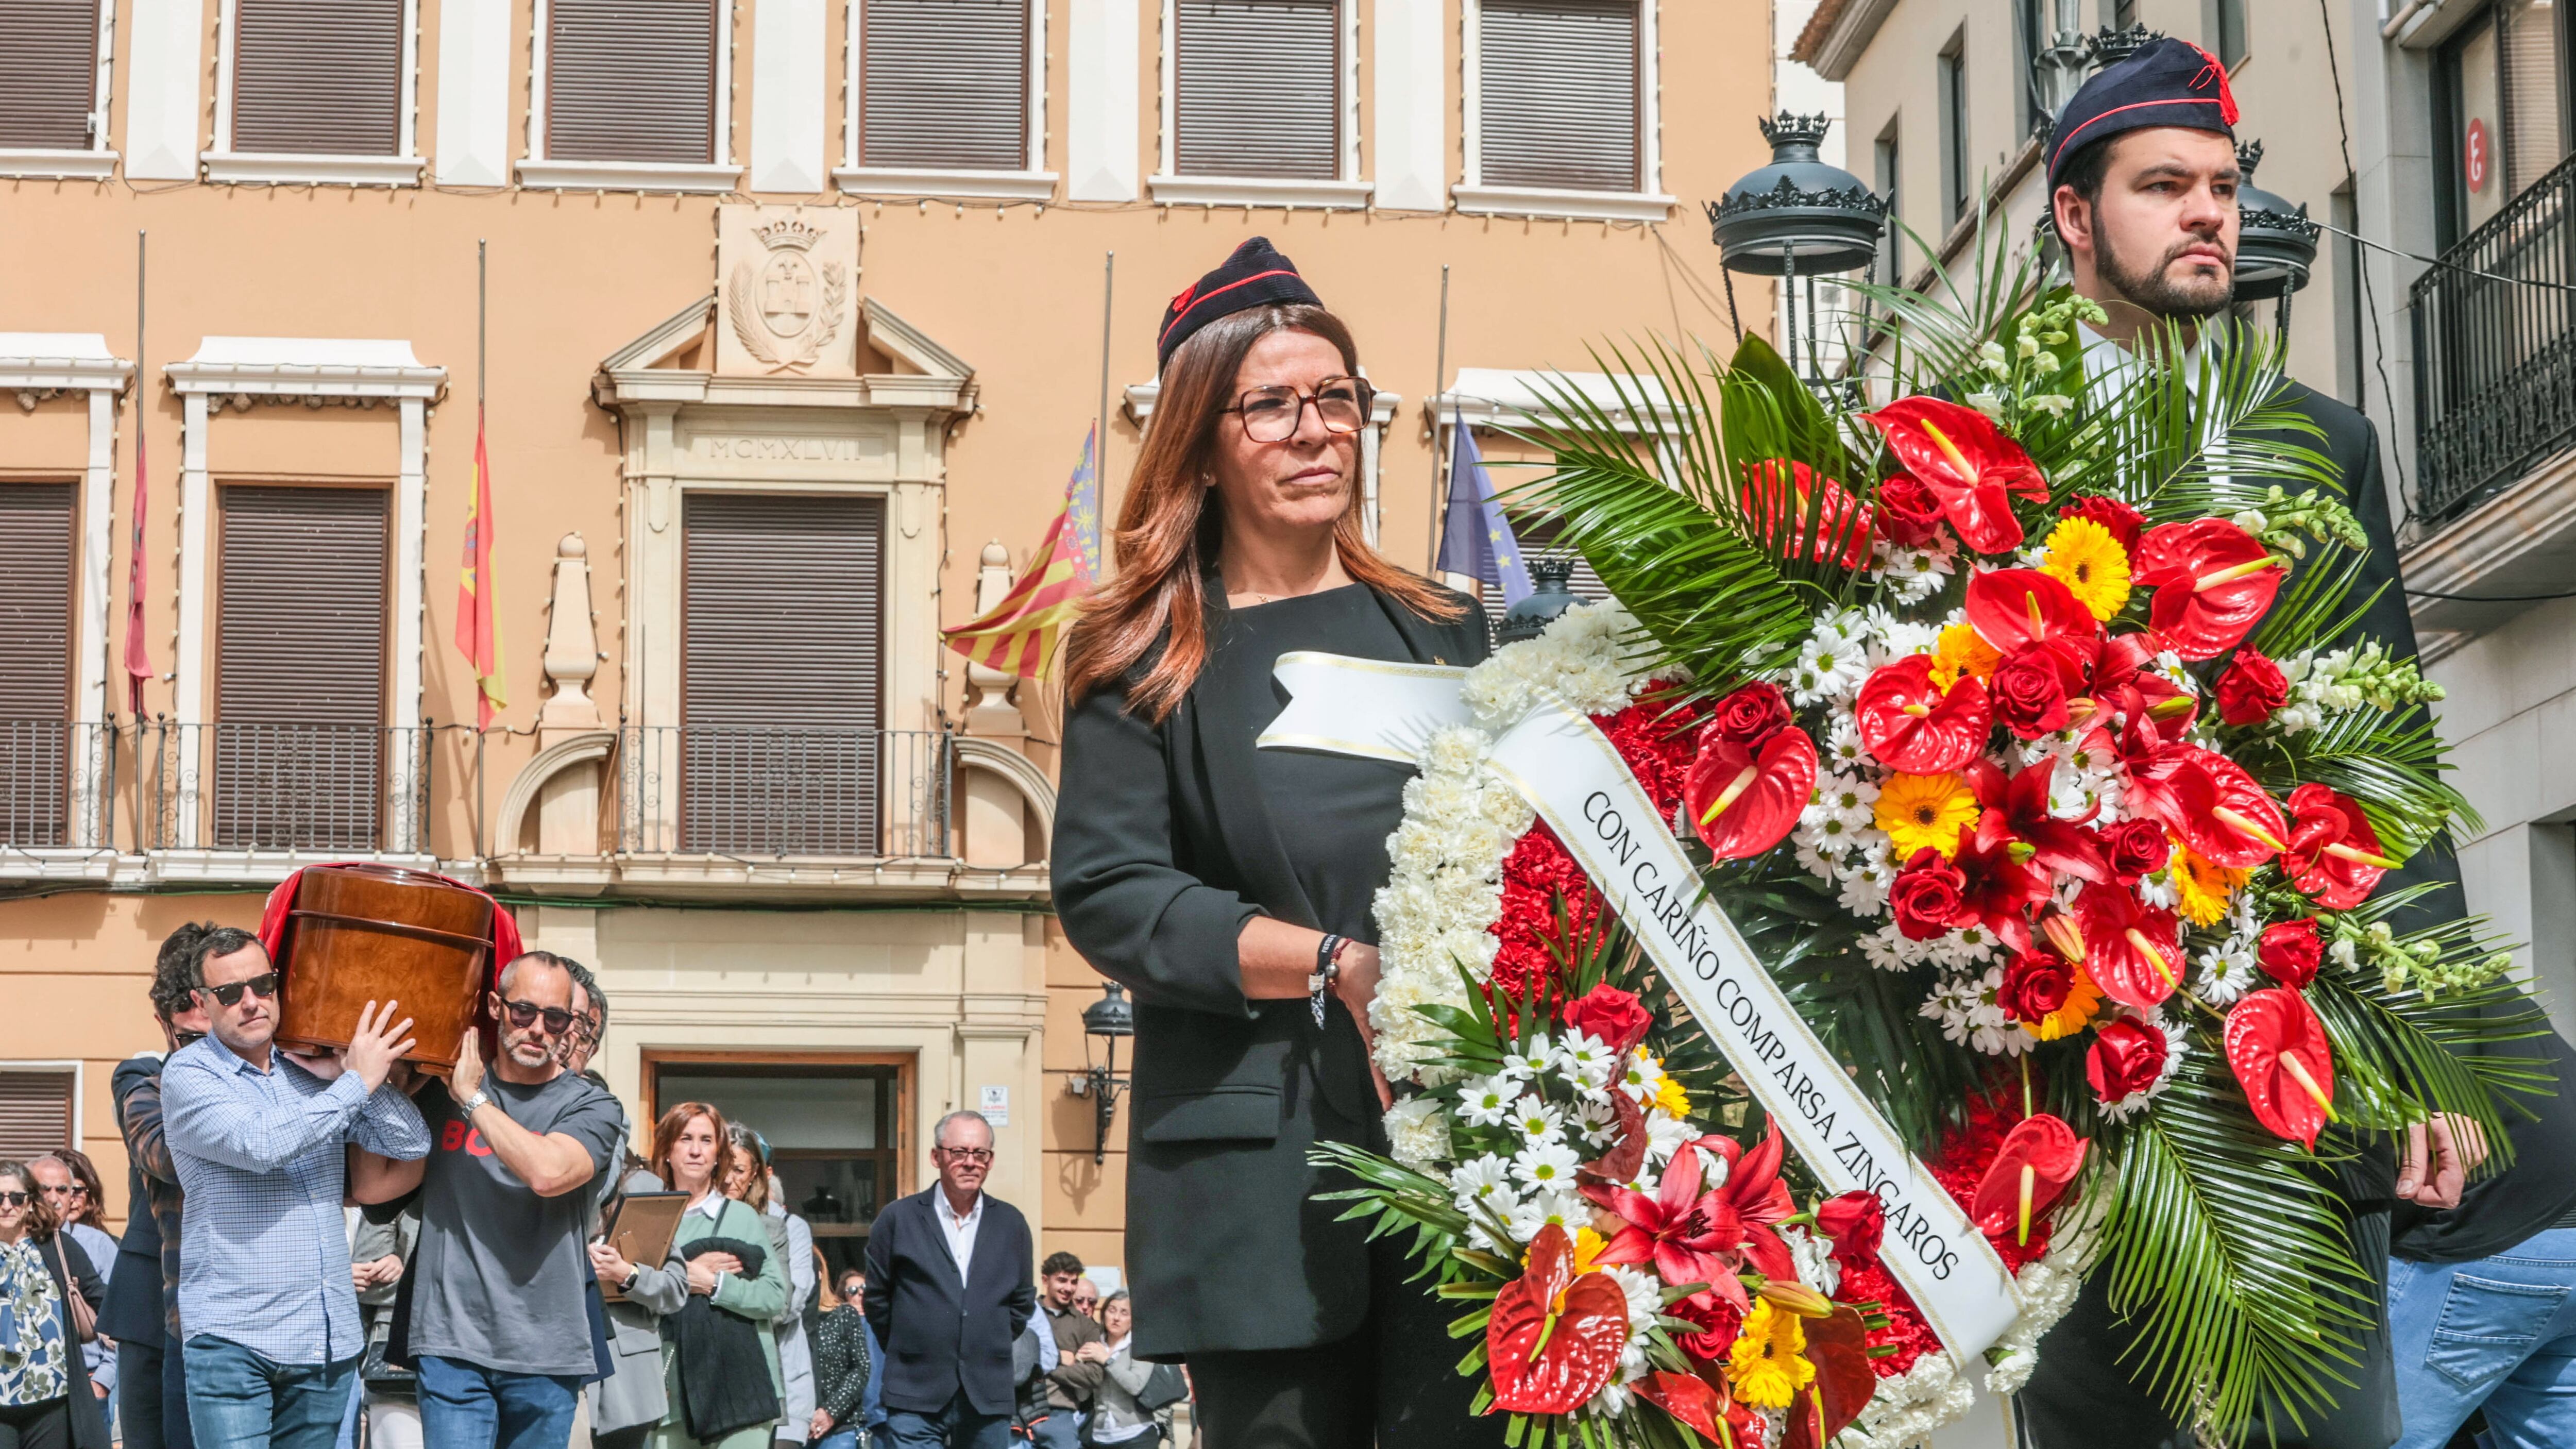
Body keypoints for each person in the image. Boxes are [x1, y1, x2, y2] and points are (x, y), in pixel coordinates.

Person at [2013, 39, 2498, 1449]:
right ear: (2072, 217)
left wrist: (2431, 1050)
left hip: (2302, 1071)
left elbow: (2386, 752)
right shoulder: (1981, 443)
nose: (2207, 213)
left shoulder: (2320, 442)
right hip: (2070, 1081)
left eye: (2223, 186)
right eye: (2164, 185)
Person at [1049, 237, 1497, 1448]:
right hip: (1260, 1186)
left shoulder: (1444, 632)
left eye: (1337, 397)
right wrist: (1332, 961)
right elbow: (1111, 890)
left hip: (1473, 1176)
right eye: (1272, 406)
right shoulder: (1137, 656)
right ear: (1201, 433)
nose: (1316, 429)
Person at [160, 926, 430, 1449]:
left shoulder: (311, 1070)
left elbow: (411, 1141)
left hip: (323, 1340)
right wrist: (356, 1082)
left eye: (262, 984)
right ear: (201, 1001)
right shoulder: (189, 1074)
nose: (251, 1002)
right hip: (235, 1338)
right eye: (230, 993)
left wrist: (349, 1073)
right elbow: (262, 1144)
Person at [399, 949, 625, 1449]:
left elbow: (547, 1173)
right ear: (496, 1006)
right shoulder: (440, 1089)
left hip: (546, 1351)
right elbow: (374, 1188)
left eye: (555, 1017)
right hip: (451, 1341)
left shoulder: (592, 1105)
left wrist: (472, 1100)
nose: (537, 1028)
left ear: (572, 1024)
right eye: (524, 1011)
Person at [590, 1103, 788, 1449]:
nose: (696, 1150)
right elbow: (626, 1292)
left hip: (741, 1385)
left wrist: (710, 1283)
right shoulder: (645, 1212)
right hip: (671, 1384)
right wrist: (669, 1279)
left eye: (707, 1140)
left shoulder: (741, 1216)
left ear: (719, 1154)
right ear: (667, 1150)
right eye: (686, 1139)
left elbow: (775, 1297)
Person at [101, 923, 215, 1449]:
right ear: (164, 1020)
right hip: (151, 1295)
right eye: (189, 1036)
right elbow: (162, 1155)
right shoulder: (140, 1075)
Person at [860, 1111, 1032, 1449]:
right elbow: (877, 1299)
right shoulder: (898, 1219)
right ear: (936, 1156)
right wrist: (912, 1345)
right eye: (959, 1152)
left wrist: (980, 1339)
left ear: (991, 1160)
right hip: (914, 1391)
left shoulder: (1012, 1224)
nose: (970, 1162)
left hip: (987, 1393)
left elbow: (1022, 1302)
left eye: (979, 1154)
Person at [0, 1157, 109, 1449]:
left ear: (31, 1203)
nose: (7, 1206)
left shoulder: (56, 1245)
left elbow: (101, 1295)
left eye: (17, 1197)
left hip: (51, 1398)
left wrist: (117, 1341)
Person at [29, 1154, 115, 1424]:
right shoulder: (13, 1245)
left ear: (72, 1197)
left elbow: (119, 1318)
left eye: (62, 1190)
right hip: (27, 1388)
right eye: (44, 1189)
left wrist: (102, 1382)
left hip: (86, 1385)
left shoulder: (97, 1245)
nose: (53, 1198)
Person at [341, 1208, 419, 1449]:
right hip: (399, 1358)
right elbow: (368, 1280)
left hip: (487, 1354)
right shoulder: (402, 1185)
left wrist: (404, 1265)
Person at [1077, 1292, 1166, 1447]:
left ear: (1133, 1320)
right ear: (1103, 1314)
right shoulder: (1095, 1346)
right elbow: (1083, 1396)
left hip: (1137, 1434)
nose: (1116, 1318)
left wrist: (1106, 1360)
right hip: (1101, 1436)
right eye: (1112, 1310)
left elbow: (1135, 1386)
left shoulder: (1139, 1347)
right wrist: (1079, 1364)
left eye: (1124, 1313)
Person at [1032, 1254, 1101, 1449]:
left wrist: (1049, 1364)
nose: (1068, 1288)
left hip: (1059, 1413)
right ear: (1046, 1280)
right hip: (1018, 1410)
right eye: (1062, 1280)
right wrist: (1058, 1359)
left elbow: (1094, 1375)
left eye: (1073, 1282)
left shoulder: (1085, 1325)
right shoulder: (1027, 1314)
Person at [809, 1269, 873, 1449]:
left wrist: (831, 1411)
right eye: (853, 1290)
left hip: (840, 1427)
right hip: (795, 1426)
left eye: (864, 1287)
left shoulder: (843, 1316)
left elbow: (862, 1367)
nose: (860, 1293)